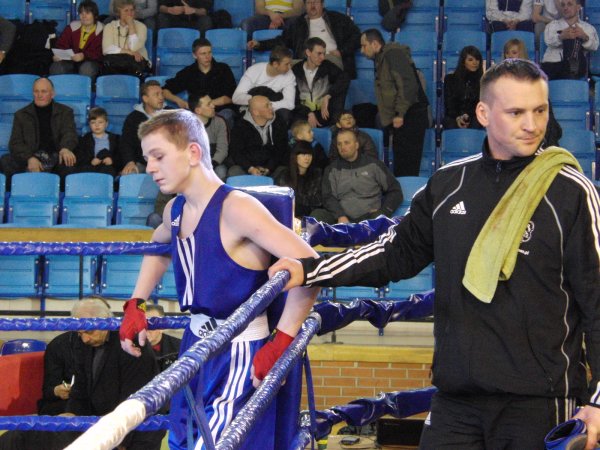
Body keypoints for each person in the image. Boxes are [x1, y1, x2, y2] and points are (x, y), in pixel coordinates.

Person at [270, 59, 600, 450]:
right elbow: (393, 253)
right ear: (483, 113)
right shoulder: (448, 185)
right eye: (516, 112)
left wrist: (598, 400)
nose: (532, 124)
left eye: (540, 110)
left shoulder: (570, 192)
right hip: (457, 398)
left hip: (539, 401)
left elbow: (597, 302)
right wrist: (310, 269)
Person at [118, 108, 319, 449]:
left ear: (193, 153)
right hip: (194, 342)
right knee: (181, 441)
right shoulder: (174, 209)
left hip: (237, 347)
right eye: (147, 158)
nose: (149, 167)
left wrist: (281, 341)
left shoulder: (236, 208)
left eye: (158, 156)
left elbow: (312, 267)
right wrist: (136, 302)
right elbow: (159, 244)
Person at [360, 29, 429, 177]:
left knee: (407, 167)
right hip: (404, 117)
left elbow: (408, 85)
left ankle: (408, 192)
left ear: (375, 44)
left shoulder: (393, 54)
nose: (361, 50)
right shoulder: (383, 58)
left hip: (410, 115)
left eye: (364, 45)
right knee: (402, 167)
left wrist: (399, 114)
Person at [247, 0, 361, 79]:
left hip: (330, 59)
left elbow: (357, 36)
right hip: (306, 62)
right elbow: (282, 41)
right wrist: (259, 44)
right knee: (280, 65)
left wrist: (341, 51)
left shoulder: (338, 19)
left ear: (322, 4)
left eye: (315, 2)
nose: (312, 5)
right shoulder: (298, 24)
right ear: (305, 6)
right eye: (309, 2)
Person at [1, 78, 79, 186]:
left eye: (43, 91)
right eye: (36, 91)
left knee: (69, 161)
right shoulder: (21, 115)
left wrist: (65, 148)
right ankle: (18, 191)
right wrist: (29, 158)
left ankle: (57, 194)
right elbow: (15, 143)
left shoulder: (65, 112)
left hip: (56, 157)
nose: (39, 95)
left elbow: (69, 133)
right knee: (6, 160)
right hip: (31, 156)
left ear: (52, 94)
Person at [318, 129, 402, 224]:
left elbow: (395, 190)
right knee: (317, 215)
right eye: (339, 144)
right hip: (341, 219)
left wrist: (384, 211)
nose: (342, 147)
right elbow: (327, 197)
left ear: (356, 145)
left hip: (369, 218)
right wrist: (340, 215)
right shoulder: (331, 169)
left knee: (378, 219)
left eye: (346, 143)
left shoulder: (374, 165)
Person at [162, 37, 237, 125]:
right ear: (194, 55)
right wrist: (179, 101)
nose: (207, 57)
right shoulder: (188, 72)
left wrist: (208, 105)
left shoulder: (223, 69)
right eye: (203, 53)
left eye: (209, 52)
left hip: (221, 111)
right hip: (198, 113)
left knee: (225, 116)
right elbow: (165, 91)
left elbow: (232, 97)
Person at [292, 37, 349, 128]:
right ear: (308, 52)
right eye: (319, 53)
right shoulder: (296, 70)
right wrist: (309, 113)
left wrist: (328, 95)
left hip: (324, 113)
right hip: (302, 113)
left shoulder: (327, 66)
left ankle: (334, 127)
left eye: (324, 53)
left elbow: (344, 78)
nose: (322, 57)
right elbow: (293, 99)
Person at [227, 94, 289, 178]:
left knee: (284, 171)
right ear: (256, 112)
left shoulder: (279, 122)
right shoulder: (240, 126)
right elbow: (236, 152)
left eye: (270, 104)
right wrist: (250, 168)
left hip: (271, 168)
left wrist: (268, 168)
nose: (272, 108)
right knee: (234, 171)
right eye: (267, 106)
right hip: (248, 168)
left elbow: (281, 149)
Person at [232, 46, 296, 125]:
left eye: (290, 64)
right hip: (252, 108)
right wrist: (257, 104)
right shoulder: (254, 70)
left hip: (273, 109)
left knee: (285, 114)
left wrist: (267, 106)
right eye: (287, 64)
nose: (290, 67)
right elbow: (236, 97)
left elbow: (290, 103)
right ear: (275, 64)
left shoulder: (289, 75)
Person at [541, 0, 598, 80]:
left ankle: (570, 69)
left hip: (576, 66)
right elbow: (548, 41)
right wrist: (561, 37)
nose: (565, 8)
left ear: (578, 7)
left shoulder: (587, 28)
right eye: (563, 5)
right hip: (552, 66)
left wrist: (584, 37)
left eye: (569, 4)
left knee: (574, 42)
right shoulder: (552, 25)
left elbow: (595, 46)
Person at [119, 79, 165, 175]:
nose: (161, 97)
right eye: (156, 94)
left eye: (161, 94)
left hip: (166, 163)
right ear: (145, 99)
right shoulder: (133, 118)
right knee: (128, 174)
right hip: (142, 163)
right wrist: (130, 162)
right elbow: (126, 143)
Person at [50, 0, 104, 79]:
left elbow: (100, 52)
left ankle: (85, 87)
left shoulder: (102, 30)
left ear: (95, 15)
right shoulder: (72, 27)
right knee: (57, 67)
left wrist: (84, 56)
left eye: (87, 13)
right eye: (81, 13)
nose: (84, 16)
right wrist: (58, 55)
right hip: (70, 61)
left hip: (91, 62)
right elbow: (61, 44)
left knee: (87, 69)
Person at [275, 140, 324, 220]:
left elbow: (318, 201)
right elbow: (281, 199)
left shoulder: (317, 174)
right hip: (288, 214)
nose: (307, 158)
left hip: (309, 216)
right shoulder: (285, 175)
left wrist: (296, 198)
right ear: (295, 156)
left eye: (309, 154)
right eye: (303, 154)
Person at [102, 0, 150, 76]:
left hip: (136, 62)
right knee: (108, 61)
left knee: (132, 64)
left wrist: (131, 26)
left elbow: (134, 48)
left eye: (132, 10)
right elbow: (107, 49)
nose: (130, 13)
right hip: (116, 62)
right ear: (119, 12)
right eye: (126, 10)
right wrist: (130, 52)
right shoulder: (109, 26)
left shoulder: (141, 27)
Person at [37, 331, 78, 416]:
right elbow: (48, 391)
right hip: (64, 401)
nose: (86, 339)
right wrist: (57, 390)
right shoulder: (59, 345)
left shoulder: (106, 346)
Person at [443, 46, 483, 130]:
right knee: (450, 122)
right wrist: (458, 117)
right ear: (463, 62)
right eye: (470, 60)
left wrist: (467, 116)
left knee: (477, 121)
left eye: (477, 59)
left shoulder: (482, 81)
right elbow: (449, 105)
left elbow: (479, 104)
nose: (475, 63)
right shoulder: (450, 79)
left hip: (474, 116)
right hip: (454, 116)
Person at [75, 107, 119, 176]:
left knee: (108, 170)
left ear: (106, 124)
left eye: (100, 122)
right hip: (90, 169)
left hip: (108, 169)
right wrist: (91, 162)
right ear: (89, 124)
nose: (97, 125)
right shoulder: (83, 140)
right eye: (93, 122)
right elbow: (80, 157)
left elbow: (120, 156)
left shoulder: (116, 139)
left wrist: (112, 160)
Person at [145, 304, 181, 372]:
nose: (145, 329)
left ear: (162, 327)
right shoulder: (127, 349)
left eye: (151, 324)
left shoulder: (180, 347)